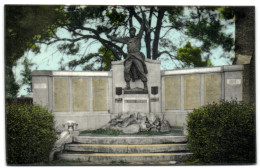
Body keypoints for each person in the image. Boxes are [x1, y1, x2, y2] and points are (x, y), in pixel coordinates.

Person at [107, 22, 148, 91]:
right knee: (126, 70)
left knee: (141, 70)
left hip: (137, 56)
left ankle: (145, 86)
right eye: (131, 31)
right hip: (129, 57)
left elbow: (141, 29)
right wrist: (111, 37)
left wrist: (143, 21)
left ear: (135, 32)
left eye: (134, 31)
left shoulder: (138, 38)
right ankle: (128, 85)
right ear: (129, 32)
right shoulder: (127, 39)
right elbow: (118, 39)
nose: (133, 32)